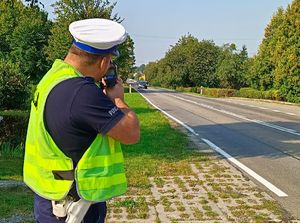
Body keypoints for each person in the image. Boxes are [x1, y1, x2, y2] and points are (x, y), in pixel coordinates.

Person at [23, 18, 140, 223]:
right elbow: (131, 133)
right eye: (110, 61)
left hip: (50, 196)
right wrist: (118, 99)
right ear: (104, 61)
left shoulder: (52, 77)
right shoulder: (83, 93)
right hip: (73, 207)